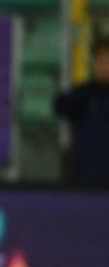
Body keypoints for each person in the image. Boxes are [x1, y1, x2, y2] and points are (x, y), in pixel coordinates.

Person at [55, 37, 109, 186]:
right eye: (100, 61)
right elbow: (60, 107)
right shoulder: (85, 94)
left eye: (107, 61)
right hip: (86, 179)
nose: (104, 66)